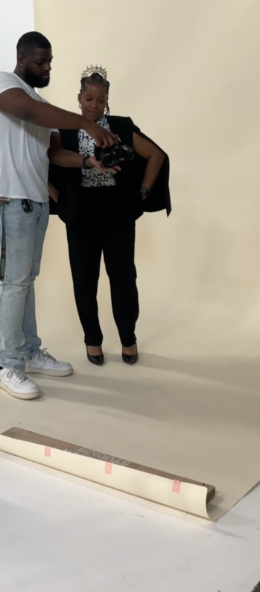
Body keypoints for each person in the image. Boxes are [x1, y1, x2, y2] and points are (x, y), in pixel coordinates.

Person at [0, 34, 117, 400]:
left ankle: (28, 351)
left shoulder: (44, 105)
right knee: (14, 283)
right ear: (22, 58)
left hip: (36, 201)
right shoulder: (2, 84)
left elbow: (54, 156)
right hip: (8, 197)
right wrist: (86, 124)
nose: (47, 68)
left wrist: (90, 161)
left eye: (50, 62)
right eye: (41, 62)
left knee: (25, 281)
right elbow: (25, 112)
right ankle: (8, 365)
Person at [49, 65, 170, 366]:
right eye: (89, 98)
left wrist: (141, 192)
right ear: (79, 98)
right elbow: (44, 162)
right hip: (80, 216)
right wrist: (60, 200)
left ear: (107, 100)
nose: (94, 105)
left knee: (124, 278)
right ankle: (93, 340)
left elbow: (157, 155)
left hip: (117, 214)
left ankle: (128, 338)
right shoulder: (63, 130)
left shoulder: (120, 127)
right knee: (84, 281)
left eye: (100, 99)